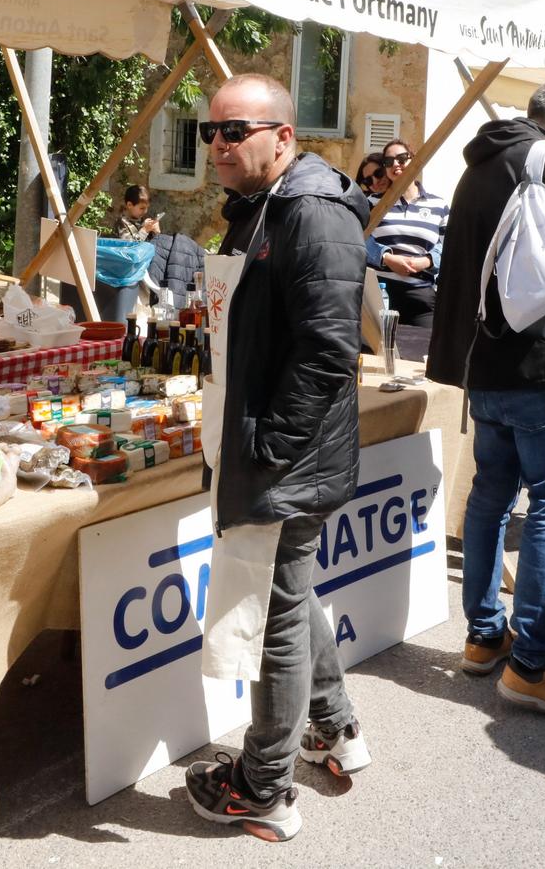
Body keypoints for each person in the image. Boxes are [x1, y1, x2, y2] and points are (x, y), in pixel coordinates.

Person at [185, 74, 370, 842]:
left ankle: (264, 784)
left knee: (278, 618)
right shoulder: (263, 205)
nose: (220, 145)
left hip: (289, 456)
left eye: (237, 131)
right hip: (273, 445)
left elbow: (330, 352)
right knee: (291, 595)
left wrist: (268, 444)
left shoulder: (312, 212)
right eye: (211, 132)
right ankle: (336, 728)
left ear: (283, 136)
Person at [428, 78, 545, 721]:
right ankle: (532, 663)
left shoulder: (478, 165)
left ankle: (485, 636)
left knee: (490, 499)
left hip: (486, 366)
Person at [364, 138, 448, 328]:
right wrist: (386, 257)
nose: (395, 164)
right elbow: (358, 238)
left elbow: (451, 246)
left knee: (422, 354)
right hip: (380, 292)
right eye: (388, 161)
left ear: (413, 159)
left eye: (402, 158)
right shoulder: (372, 202)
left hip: (420, 294)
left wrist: (426, 261)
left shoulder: (438, 205)